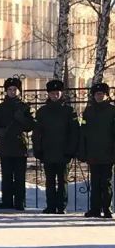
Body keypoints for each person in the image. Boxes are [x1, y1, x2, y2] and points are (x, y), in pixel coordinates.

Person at [32, 79, 80, 214]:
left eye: (57, 93)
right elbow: (37, 132)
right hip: (47, 151)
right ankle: (50, 205)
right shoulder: (42, 112)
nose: (55, 95)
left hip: (64, 152)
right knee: (50, 181)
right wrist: (38, 149)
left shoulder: (69, 111)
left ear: (61, 93)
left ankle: (61, 206)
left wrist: (71, 150)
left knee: (62, 181)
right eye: (52, 93)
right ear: (48, 94)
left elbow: (74, 132)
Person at [0, 77, 35, 211]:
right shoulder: (0, 107)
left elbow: (31, 125)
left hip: (20, 146)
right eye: (9, 89)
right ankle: (7, 201)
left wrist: (21, 119)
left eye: (15, 89)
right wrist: (0, 131)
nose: (12, 92)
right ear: (6, 91)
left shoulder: (25, 107)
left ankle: (19, 202)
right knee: (7, 176)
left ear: (19, 91)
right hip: (5, 145)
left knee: (20, 176)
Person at [79, 82, 115, 218]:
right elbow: (83, 131)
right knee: (94, 182)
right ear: (93, 96)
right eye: (96, 94)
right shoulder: (88, 111)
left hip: (108, 152)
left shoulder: (112, 111)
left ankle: (106, 208)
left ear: (106, 95)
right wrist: (82, 151)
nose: (99, 96)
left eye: (102, 94)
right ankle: (94, 208)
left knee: (105, 183)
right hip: (92, 153)